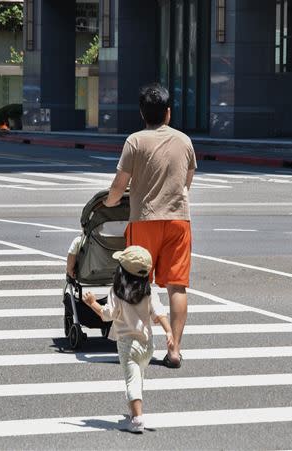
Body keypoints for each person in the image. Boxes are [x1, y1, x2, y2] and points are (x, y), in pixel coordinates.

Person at [103, 83, 196, 369]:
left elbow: (120, 184)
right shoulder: (185, 141)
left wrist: (109, 203)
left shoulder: (135, 141)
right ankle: (175, 349)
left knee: (136, 283)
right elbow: (187, 182)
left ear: (142, 113)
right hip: (179, 220)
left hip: (144, 221)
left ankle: (136, 342)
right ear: (168, 113)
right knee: (177, 287)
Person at [82, 246, 173, 433]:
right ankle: (134, 411)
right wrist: (169, 331)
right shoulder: (148, 292)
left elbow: (107, 315)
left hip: (127, 345)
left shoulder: (117, 292)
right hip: (147, 346)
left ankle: (137, 419)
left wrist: (92, 303)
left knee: (131, 380)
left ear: (121, 271)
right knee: (138, 377)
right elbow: (159, 312)